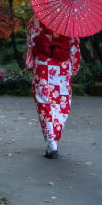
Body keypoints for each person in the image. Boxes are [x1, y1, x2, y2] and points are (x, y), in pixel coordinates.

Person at [26, 15, 81, 159]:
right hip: (62, 65)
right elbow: (74, 46)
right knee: (61, 101)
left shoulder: (36, 20)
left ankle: (52, 143)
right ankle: (54, 139)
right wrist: (74, 67)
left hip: (43, 64)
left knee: (44, 101)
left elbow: (31, 42)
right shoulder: (70, 21)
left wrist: (31, 64)